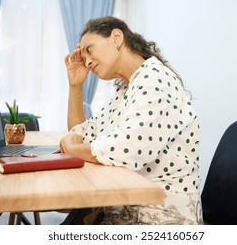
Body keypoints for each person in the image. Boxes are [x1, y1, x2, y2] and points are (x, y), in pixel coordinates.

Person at [59, 16, 202, 225]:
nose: (87, 62)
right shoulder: (127, 90)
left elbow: (126, 149)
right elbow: (82, 133)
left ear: (116, 38)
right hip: (127, 208)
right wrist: (75, 86)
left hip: (161, 215)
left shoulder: (155, 79)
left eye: (89, 49)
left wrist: (73, 150)